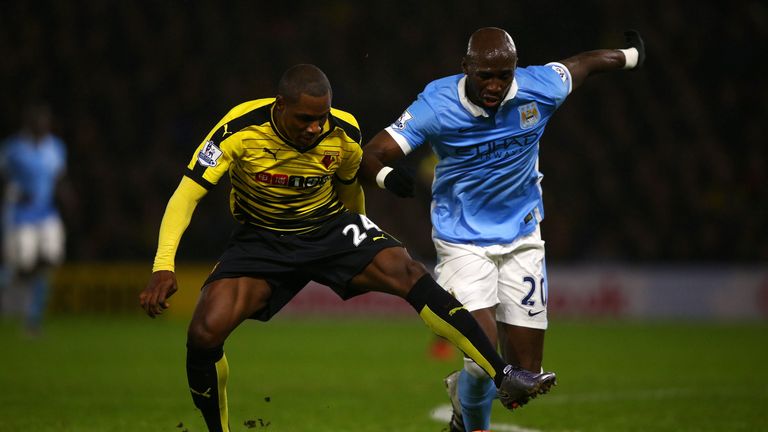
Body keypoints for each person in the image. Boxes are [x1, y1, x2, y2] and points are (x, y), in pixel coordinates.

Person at [138, 64, 556, 432]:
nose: (315, 128)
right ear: (279, 105)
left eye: (321, 118)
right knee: (204, 332)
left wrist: (366, 228)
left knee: (407, 271)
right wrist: (163, 265)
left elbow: (350, 187)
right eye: (304, 118)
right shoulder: (238, 129)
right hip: (261, 239)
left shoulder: (343, 130)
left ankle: (503, 374)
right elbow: (186, 195)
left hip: (327, 228)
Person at [360, 28, 646, 431]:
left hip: (524, 240)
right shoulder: (437, 104)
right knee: (484, 357)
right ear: (466, 69)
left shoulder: (539, 87)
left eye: (503, 75)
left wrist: (630, 55)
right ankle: (471, 425)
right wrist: (388, 177)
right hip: (462, 243)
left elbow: (583, 65)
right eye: (484, 76)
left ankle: (463, 395)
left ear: (515, 70)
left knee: (523, 377)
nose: (495, 85)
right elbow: (372, 152)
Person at [0, 101, 67, 335]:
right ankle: (25, 308)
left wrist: (67, 198)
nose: (43, 124)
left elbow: (58, 179)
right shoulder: (13, 149)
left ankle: (32, 318)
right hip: (21, 216)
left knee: (49, 261)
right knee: (22, 268)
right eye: (39, 121)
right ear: (29, 124)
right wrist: (12, 194)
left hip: (47, 214)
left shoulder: (56, 148)